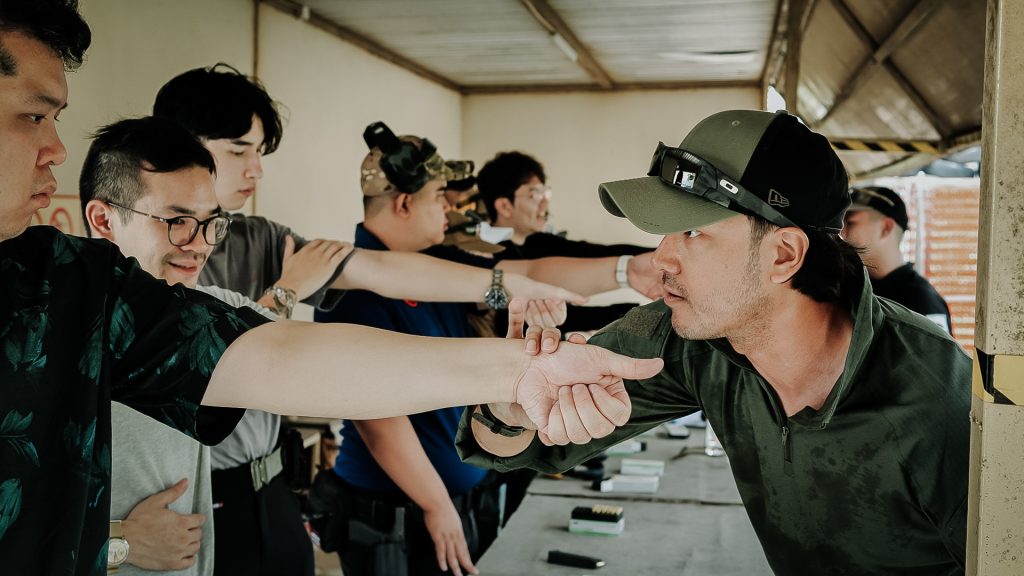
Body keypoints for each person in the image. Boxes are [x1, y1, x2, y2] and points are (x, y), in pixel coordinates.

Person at [0, 4, 664, 573]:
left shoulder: (77, 285)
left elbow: (285, 355)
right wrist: (118, 541)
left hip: (247, 505)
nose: (55, 148)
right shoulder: (92, 285)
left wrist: (521, 353)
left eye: (210, 222)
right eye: (33, 117)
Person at [458, 110, 972, 575]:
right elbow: (515, 445)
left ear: (783, 255)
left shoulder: (937, 398)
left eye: (693, 232)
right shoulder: (694, 337)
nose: (661, 258)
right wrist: (510, 407)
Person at [313, 123, 657, 576]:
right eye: (439, 197)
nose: (449, 208)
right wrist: (436, 506)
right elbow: (378, 422)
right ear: (404, 204)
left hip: (458, 496)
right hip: (398, 512)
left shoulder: (438, 268)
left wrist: (628, 270)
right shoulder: (352, 291)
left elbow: (525, 273)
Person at [476, 151, 656, 334]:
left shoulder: (537, 242)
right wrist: (642, 320)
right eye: (535, 195)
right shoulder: (483, 255)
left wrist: (661, 254)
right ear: (504, 206)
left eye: (546, 193)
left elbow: (592, 252)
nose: (544, 204)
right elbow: (562, 314)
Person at [843, 185, 953, 334]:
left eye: (850, 222)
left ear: (886, 228)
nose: (841, 232)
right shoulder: (852, 288)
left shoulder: (921, 300)